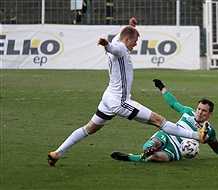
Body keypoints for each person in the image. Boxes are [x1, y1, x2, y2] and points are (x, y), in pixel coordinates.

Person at [47, 18, 204, 166]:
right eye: (135, 41)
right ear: (128, 39)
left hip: (108, 98)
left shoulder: (119, 39)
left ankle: (57, 153)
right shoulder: (120, 47)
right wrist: (106, 45)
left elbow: (120, 38)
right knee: (159, 121)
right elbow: (114, 49)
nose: (136, 45)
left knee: (88, 129)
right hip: (120, 102)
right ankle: (198, 135)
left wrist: (132, 27)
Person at [111, 79, 218, 162]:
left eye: (204, 111)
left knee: (156, 158)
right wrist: (162, 87)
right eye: (199, 109)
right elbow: (173, 103)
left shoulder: (210, 130)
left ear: (210, 114)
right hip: (168, 135)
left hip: (178, 150)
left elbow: (217, 148)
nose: (200, 112)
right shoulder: (188, 111)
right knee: (152, 144)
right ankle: (148, 150)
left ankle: (129, 157)